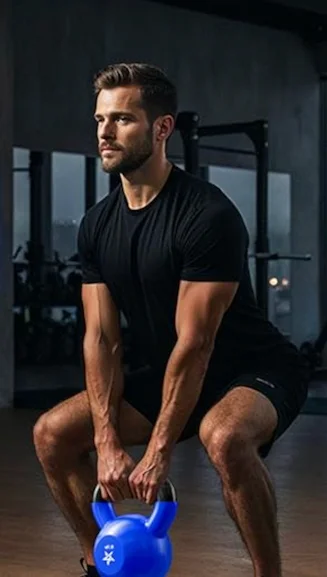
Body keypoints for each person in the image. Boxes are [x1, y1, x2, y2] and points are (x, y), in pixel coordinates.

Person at [31, 62, 310, 577]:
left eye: (122, 120)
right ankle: (103, 561)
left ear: (162, 129)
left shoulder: (207, 215)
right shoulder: (97, 224)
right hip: (171, 373)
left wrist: (158, 452)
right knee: (53, 434)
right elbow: (101, 338)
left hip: (252, 368)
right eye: (99, 120)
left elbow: (197, 344)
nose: (105, 133)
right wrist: (108, 438)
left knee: (223, 437)